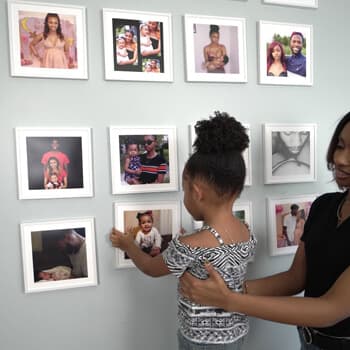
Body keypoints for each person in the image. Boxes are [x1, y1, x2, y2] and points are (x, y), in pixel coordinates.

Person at [179, 112, 350, 350]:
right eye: (340, 146)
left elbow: (331, 309)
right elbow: (296, 278)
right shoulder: (324, 206)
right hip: (309, 341)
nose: (341, 158)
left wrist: (228, 299)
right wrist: (228, 288)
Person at [110, 112, 257, 349]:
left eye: (185, 190)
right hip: (237, 336)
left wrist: (128, 245)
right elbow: (220, 253)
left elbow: (150, 268)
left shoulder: (190, 245)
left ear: (197, 193)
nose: (185, 196)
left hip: (200, 342)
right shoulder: (246, 232)